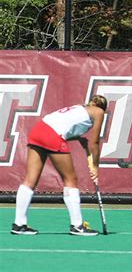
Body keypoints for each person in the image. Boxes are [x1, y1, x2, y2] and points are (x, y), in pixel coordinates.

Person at [11, 95, 108, 236]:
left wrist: (78, 137)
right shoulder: (98, 112)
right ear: (103, 109)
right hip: (52, 135)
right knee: (71, 180)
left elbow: (63, 125)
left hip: (38, 130)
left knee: (30, 180)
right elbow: (95, 143)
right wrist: (96, 166)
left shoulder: (80, 108)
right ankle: (77, 225)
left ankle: (19, 224)